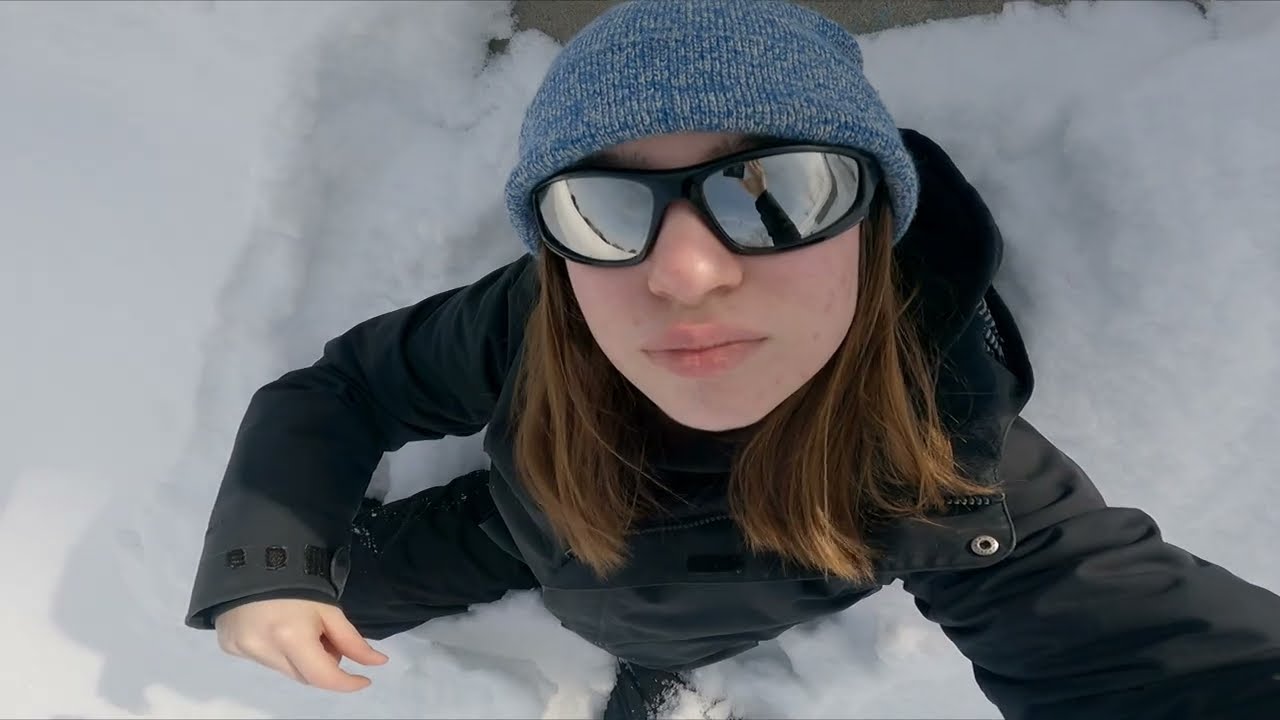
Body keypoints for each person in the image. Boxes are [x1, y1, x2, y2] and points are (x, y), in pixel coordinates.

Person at [184, 2, 1280, 718]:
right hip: (519, 532)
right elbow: (340, 389)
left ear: (870, 220)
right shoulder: (533, 319)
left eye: (776, 193)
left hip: (735, 604)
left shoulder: (941, 453)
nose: (687, 273)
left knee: (666, 644)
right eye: (605, 207)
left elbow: (1149, 659)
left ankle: (662, 678)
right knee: (335, 605)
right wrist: (268, 566)